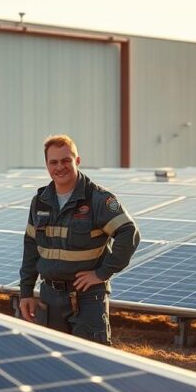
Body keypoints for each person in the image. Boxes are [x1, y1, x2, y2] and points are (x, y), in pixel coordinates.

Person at [18, 135, 140, 344]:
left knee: (91, 361)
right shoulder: (40, 202)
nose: (60, 167)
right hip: (50, 297)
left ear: (77, 160)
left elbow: (129, 233)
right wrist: (26, 291)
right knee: (53, 361)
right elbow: (31, 247)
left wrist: (102, 273)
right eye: (53, 162)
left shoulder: (98, 200)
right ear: (47, 165)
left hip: (87, 298)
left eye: (66, 160)